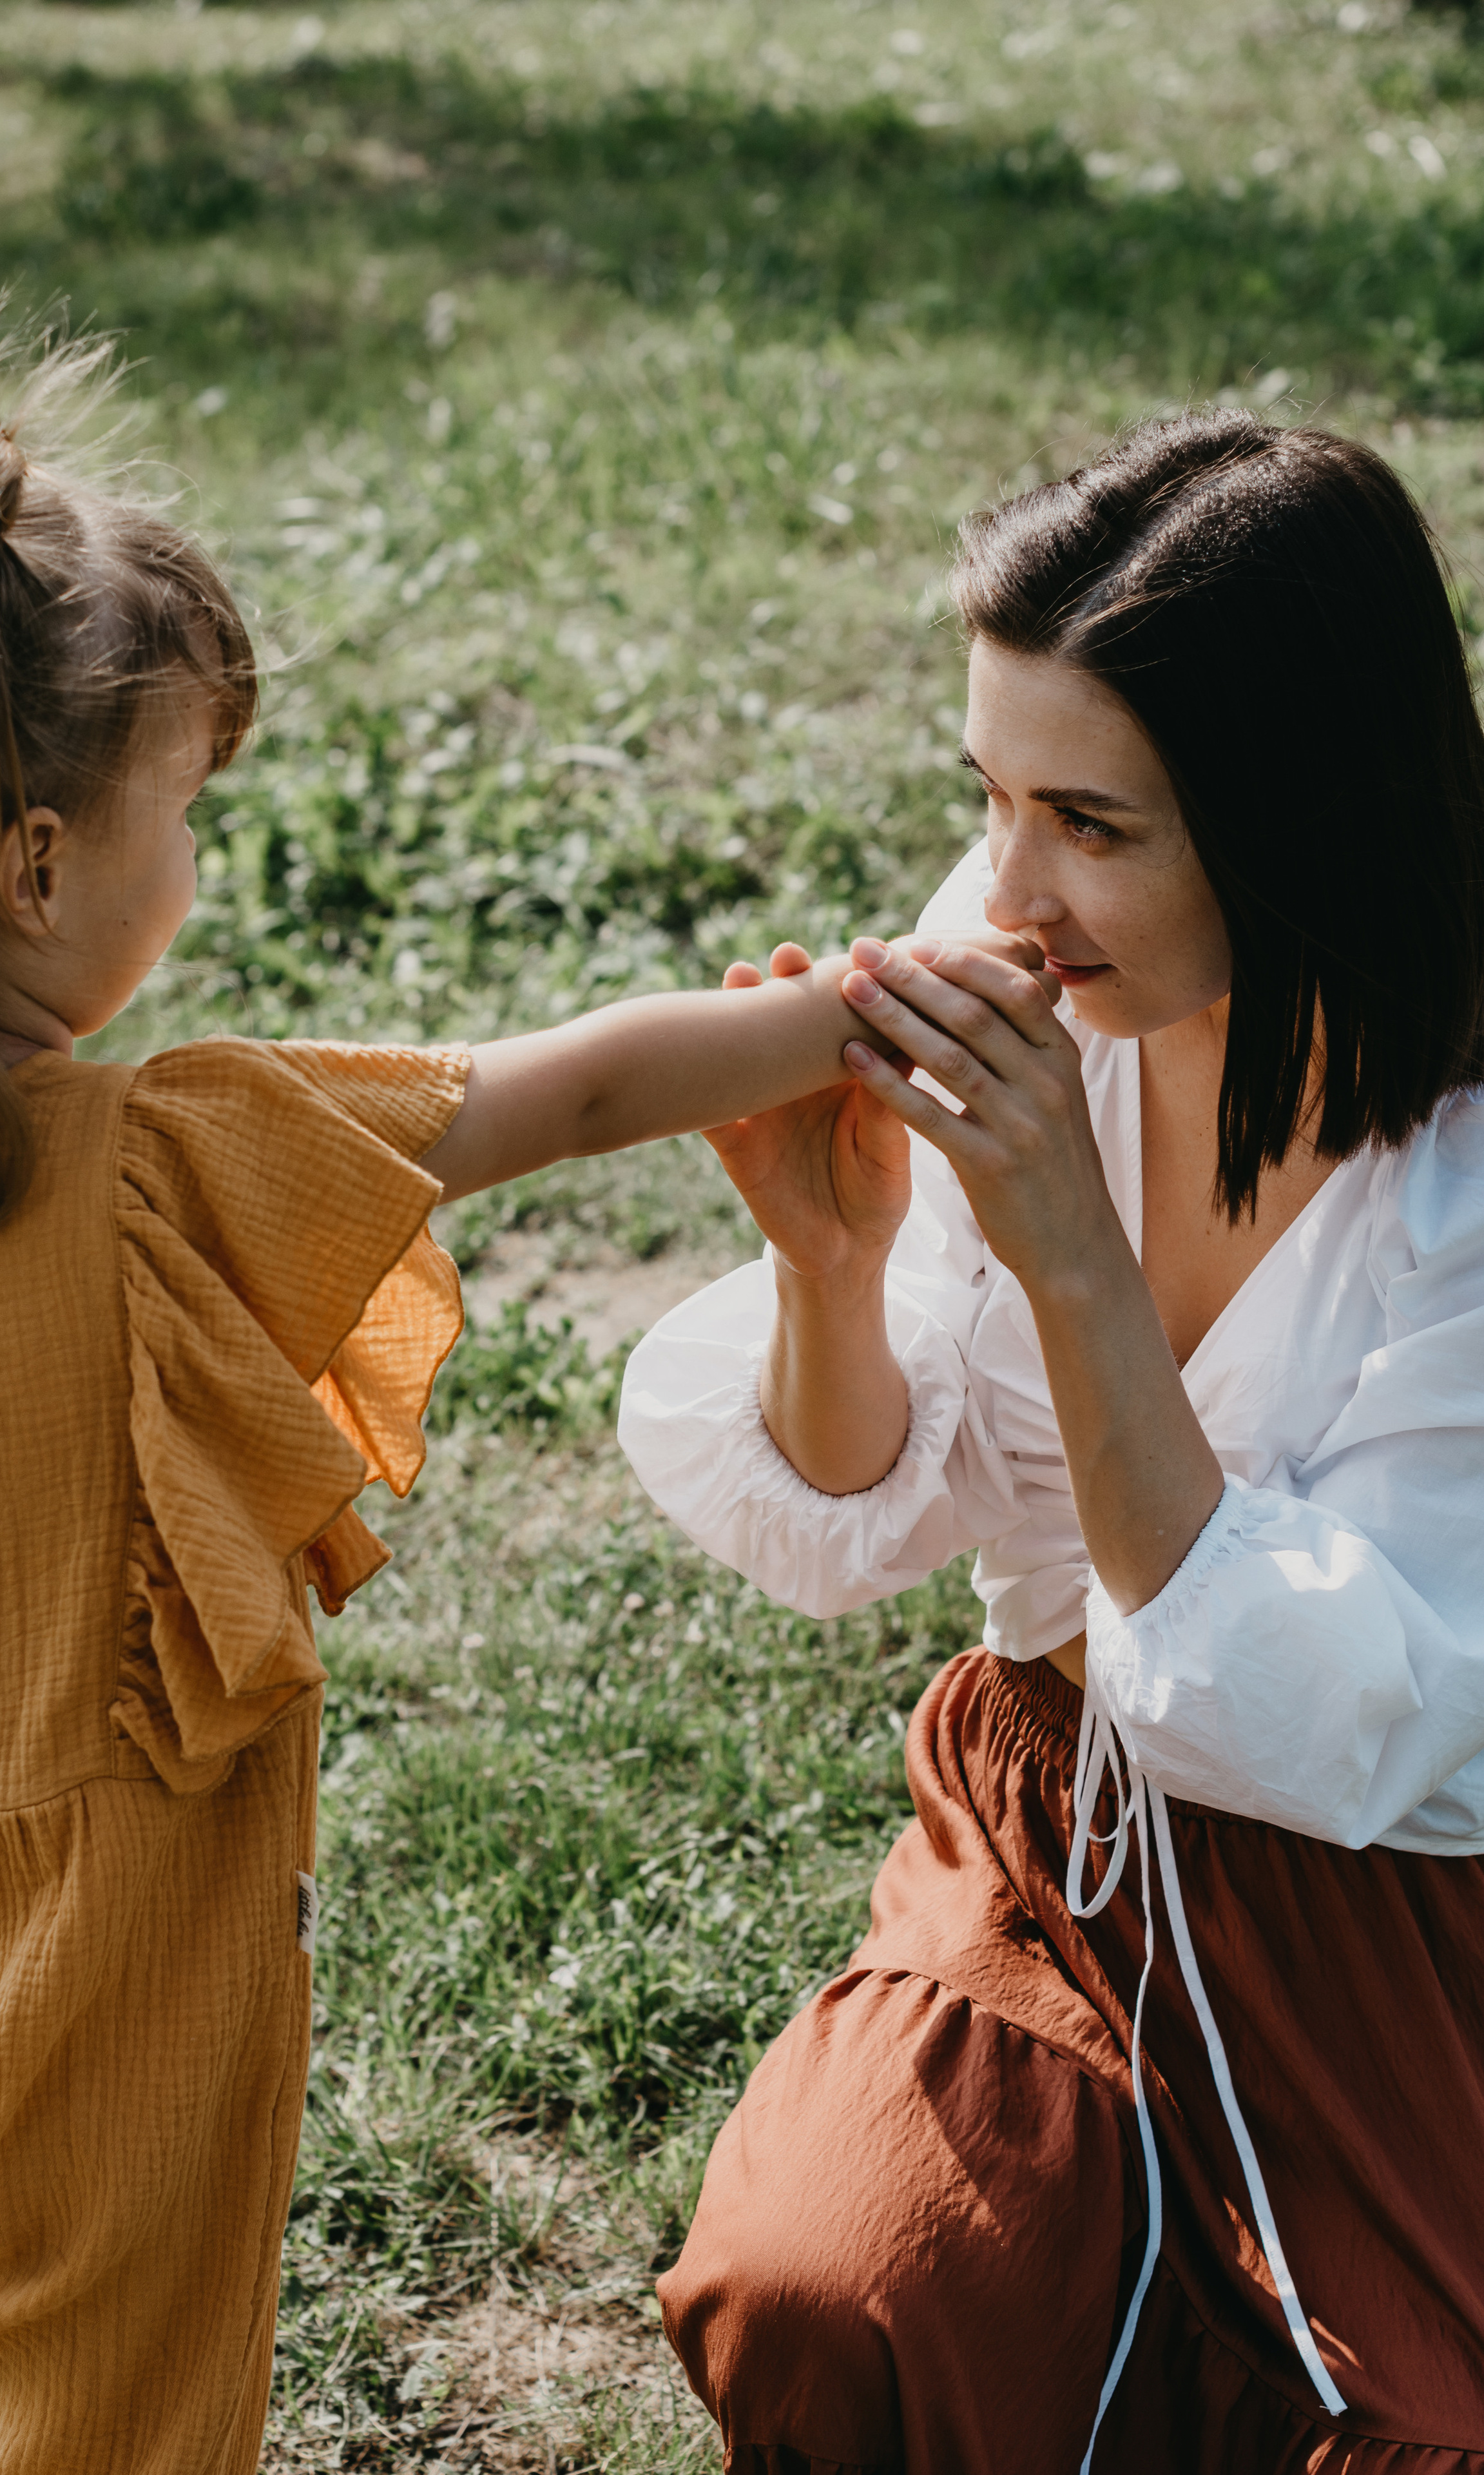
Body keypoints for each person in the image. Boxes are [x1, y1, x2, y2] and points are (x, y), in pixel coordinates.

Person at [0, 364, 896, 2474]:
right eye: (187, 814)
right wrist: (838, 1013)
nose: (200, 861)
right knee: (136, 2412)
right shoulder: (162, 1164)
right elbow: (558, 1087)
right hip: (140, 1939)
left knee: (3, 2350)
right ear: (37, 860)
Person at [619, 410, 1484, 2474]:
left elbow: (1357, 1727)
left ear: (1290, 822)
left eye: (1092, 821)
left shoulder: (1454, 1176)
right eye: (989, 797)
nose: (1008, 887)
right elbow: (852, 1512)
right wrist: (837, 1272)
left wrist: (1082, 1269)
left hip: (1395, 1919)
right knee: (829, 2305)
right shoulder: (1050, 961)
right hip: (1063, 1831)